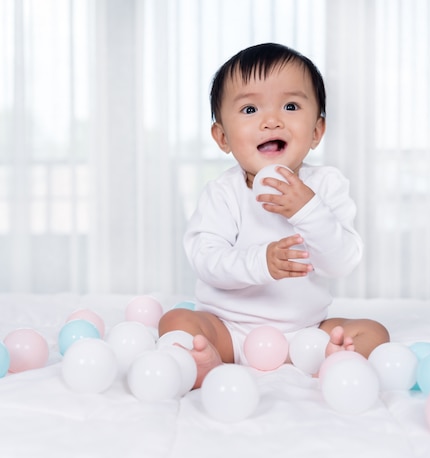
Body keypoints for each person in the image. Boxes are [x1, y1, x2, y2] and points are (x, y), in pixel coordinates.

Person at [158, 43, 389, 389]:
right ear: (222, 138)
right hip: (228, 329)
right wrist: (261, 262)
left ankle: (333, 361)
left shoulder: (325, 186)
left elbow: (341, 263)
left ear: (316, 132)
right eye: (250, 108)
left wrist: (307, 209)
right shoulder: (223, 192)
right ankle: (210, 361)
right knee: (175, 321)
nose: (271, 120)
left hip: (305, 334)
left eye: (291, 106)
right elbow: (205, 260)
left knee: (374, 333)